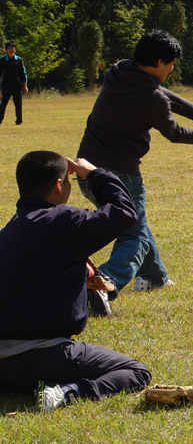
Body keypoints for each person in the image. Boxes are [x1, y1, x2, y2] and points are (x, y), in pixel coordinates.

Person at [76, 30, 193, 297]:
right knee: (134, 236)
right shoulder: (152, 98)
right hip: (120, 177)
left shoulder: (120, 71)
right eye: (171, 64)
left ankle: (154, 278)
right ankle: (102, 284)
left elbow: (165, 93)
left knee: (137, 224)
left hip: (86, 173)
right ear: (160, 62)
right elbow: (175, 133)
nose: (172, 70)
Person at [0, 151, 151, 411]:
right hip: (45, 355)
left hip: (3, 365)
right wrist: (94, 173)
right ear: (59, 186)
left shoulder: (10, 230)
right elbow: (124, 212)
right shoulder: (61, 221)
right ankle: (68, 392)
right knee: (135, 371)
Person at [0, 41, 28, 125]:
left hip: (16, 85)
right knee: (3, 104)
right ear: (6, 49)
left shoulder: (18, 60)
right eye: (9, 48)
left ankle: (19, 121)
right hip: (6, 85)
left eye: (13, 48)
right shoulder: (2, 60)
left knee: (18, 104)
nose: (11, 49)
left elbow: (23, 73)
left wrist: (25, 86)